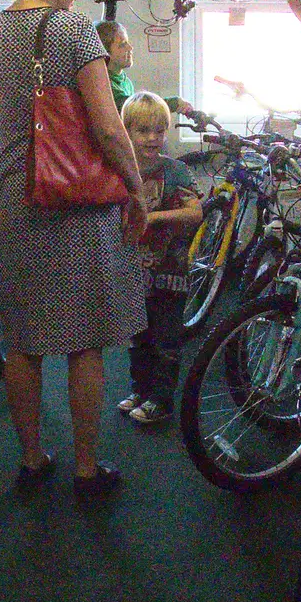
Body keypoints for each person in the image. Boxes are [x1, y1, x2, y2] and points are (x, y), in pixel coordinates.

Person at [0, 0, 148, 496]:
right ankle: (86, 468)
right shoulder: (73, 31)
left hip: (19, 197)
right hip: (76, 200)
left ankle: (31, 459)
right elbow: (106, 126)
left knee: (23, 337)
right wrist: (138, 188)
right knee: (84, 341)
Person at [116, 92, 203, 425]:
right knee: (139, 338)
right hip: (133, 272)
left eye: (159, 131)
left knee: (166, 340)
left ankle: (162, 400)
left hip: (170, 272)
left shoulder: (177, 171)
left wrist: (151, 218)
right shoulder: (120, 170)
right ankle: (141, 390)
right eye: (143, 131)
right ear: (126, 131)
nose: (152, 138)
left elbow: (193, 213)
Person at [98, 20, 136, 111]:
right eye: (122, 45)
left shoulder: (126, 81)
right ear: (106, 52)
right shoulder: (104, 84)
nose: (130, 48)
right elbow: (135, 108)